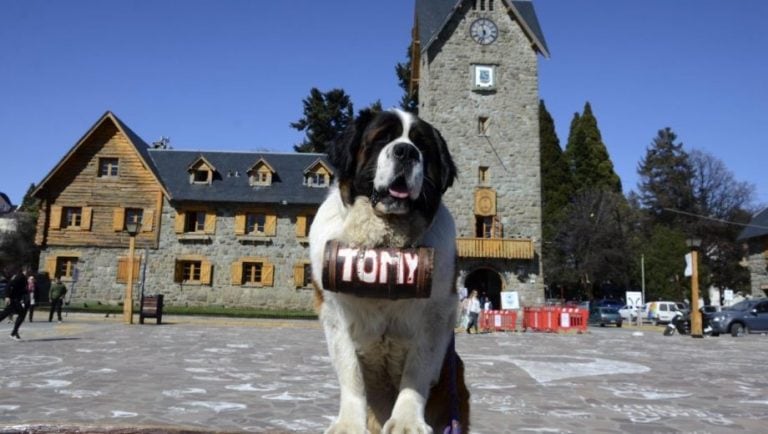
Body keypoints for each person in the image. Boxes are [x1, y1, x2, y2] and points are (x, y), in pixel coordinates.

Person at [0, 269, 28, 340]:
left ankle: (14, 333)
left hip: (15, 299)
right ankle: (14, 333)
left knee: (5, 313)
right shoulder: (20, 277)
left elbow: (20, 289)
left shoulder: (24, 278)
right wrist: (7, 296)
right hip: (13, 299)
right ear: (25, 270)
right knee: (21, 314)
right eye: (29, 270)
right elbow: (9, 285)